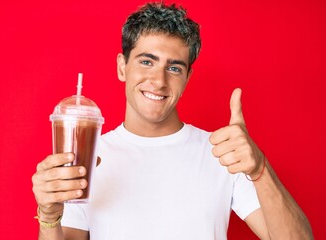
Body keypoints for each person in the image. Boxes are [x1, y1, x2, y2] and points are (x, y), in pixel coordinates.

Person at [32, 2, 313, 240]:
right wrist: (49, 216)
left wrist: (260, 169)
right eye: (146, 61)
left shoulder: (223, 153)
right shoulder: (88, 159)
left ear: (187, 78)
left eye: (174, 67)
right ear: (122, 67)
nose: (159, 80)